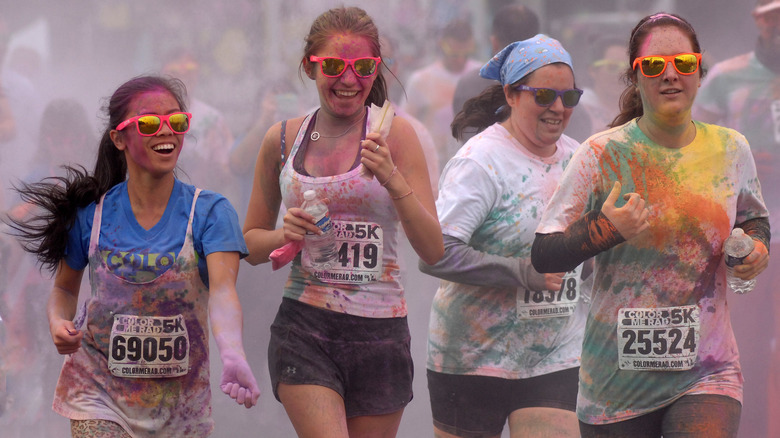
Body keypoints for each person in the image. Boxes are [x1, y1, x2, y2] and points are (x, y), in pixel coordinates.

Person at [531, 12, 770, 438]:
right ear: (635, 78)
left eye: (683, 64)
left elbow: (754, 219)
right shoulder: (601, 154)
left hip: (707, 370)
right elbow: (544, 253)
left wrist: (754, 250)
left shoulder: (731, 148)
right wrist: (604, 229)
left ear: (700, 71)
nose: (671, 75)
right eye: (655, 66)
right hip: (616, 382)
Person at [7, 75, 260, 437]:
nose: (166, 132)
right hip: (97, 393)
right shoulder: (90, 216)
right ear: (118, 138)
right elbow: (64, 290)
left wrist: (233, 355)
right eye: (148, 123)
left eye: (176, 121)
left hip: (181, 406)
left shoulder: (211, 213)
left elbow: (223, 292)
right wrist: (57, 323)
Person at [241, 6, 443, 437]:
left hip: (381, 330)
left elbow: (433, 249)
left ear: (376, 69)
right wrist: (284, 232)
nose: (349, 80)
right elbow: (251, 245)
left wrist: (392, 178)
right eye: (333, 66)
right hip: (305, 325)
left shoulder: (397, 136)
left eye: (362, 66)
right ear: (309, 67)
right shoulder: (281, 139)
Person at [419, 34, 587, 438]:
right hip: (472, 357)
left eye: (570, 97)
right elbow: (435, 254)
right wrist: (520, 272)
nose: (559, 108)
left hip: (555, 354)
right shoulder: (481, 161)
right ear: (511, 94)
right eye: (544, 95)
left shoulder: (580, 158)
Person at [692, 3, 780, 435]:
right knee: (743, 342)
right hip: (745, 237)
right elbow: (695, 152)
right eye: (774, 19)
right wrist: (742, 167)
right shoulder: (726, 77)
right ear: (760, 22)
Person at [401, 17, 482, 172]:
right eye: (454, 53)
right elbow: (405, 126)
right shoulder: (421, 80)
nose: (460, 59)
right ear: (441, 45)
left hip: (475, 166)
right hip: (434, 167)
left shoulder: (481, 75)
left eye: (465, 54)